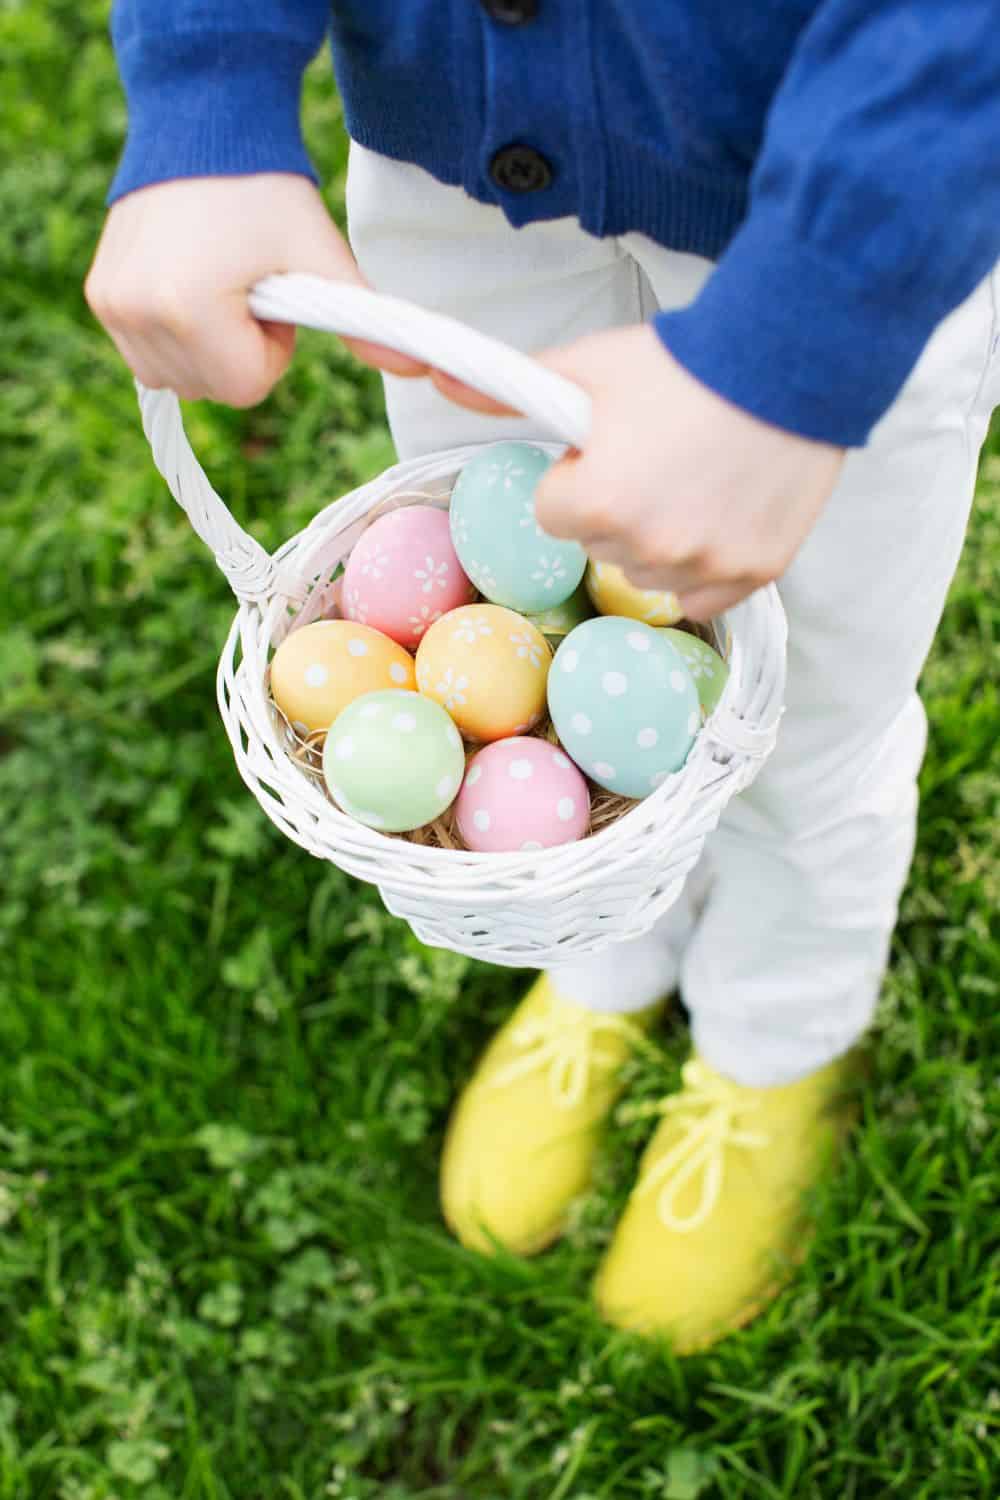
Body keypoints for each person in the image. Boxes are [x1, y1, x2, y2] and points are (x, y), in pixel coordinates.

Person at [87, 3, 1000, 1353]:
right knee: (502, 555)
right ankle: (601, 947)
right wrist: (204, 85)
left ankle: (780, 1031)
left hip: (849, 209)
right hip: (454, 139)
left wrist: (804, 335)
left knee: (807, 707)